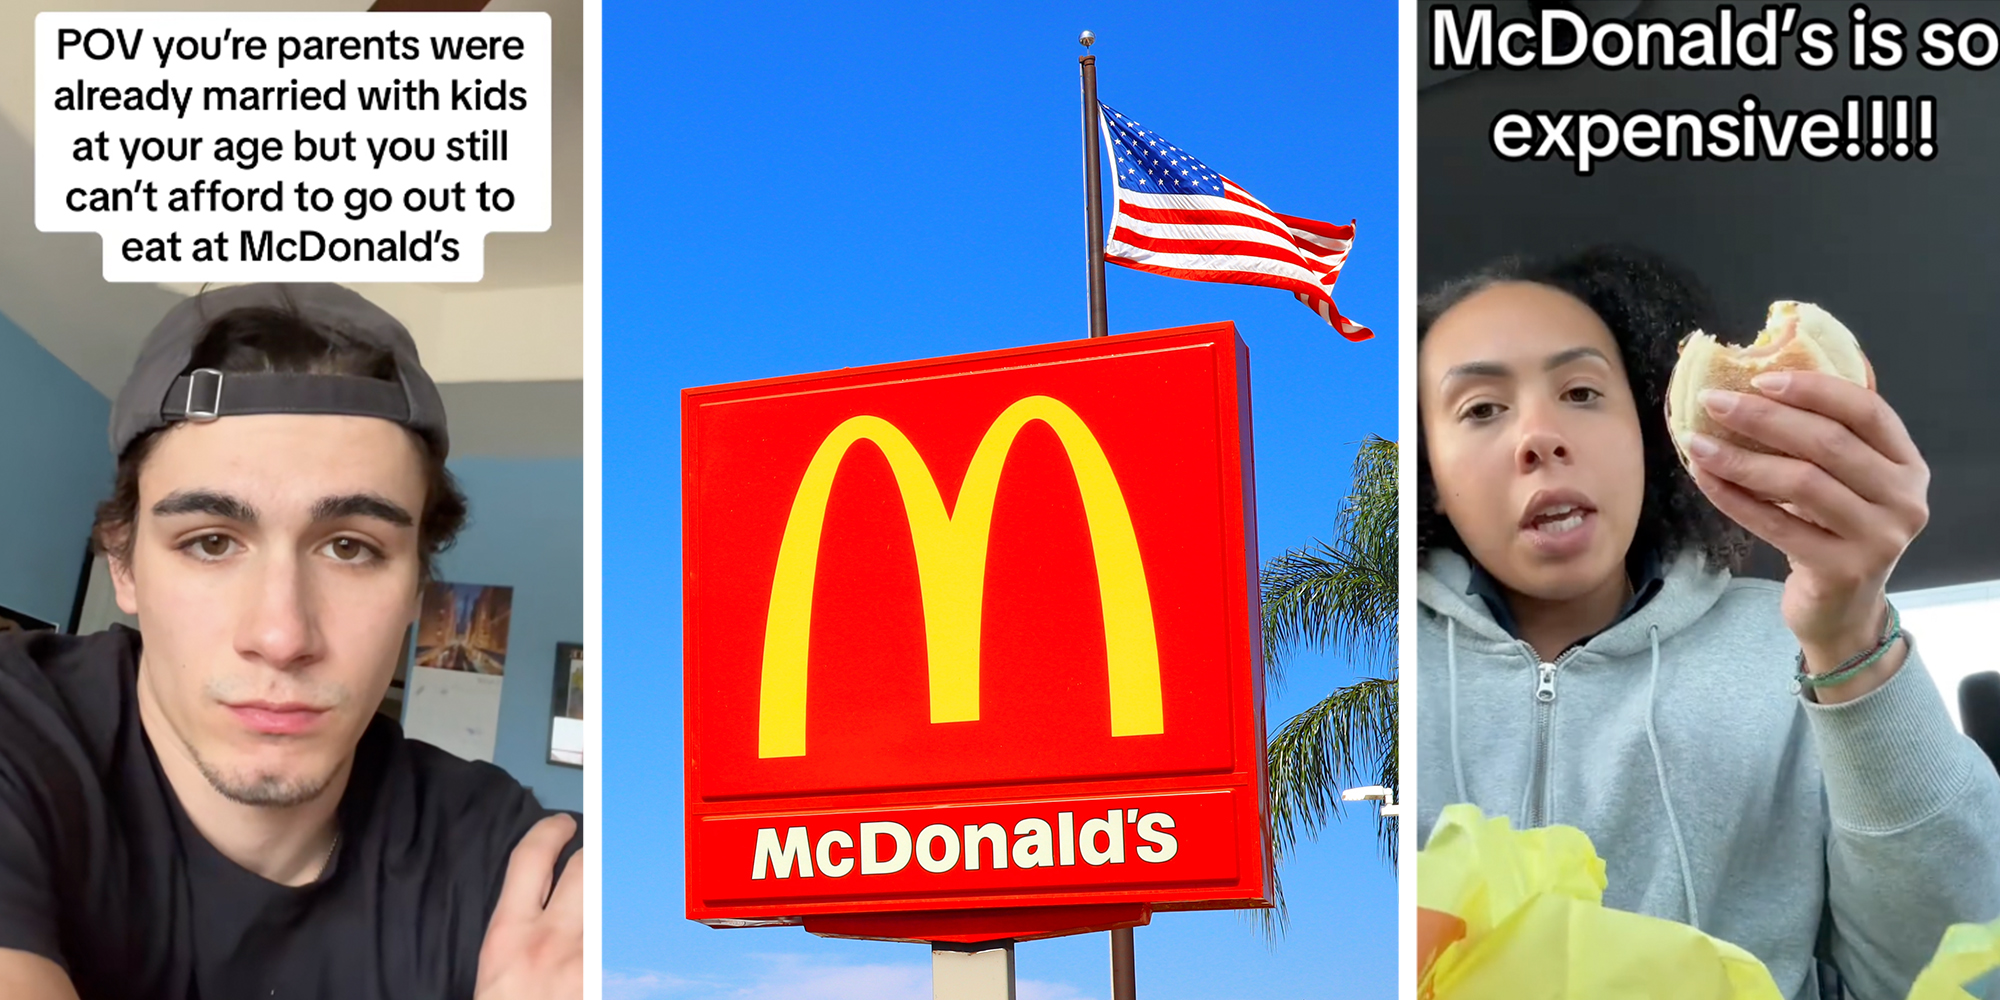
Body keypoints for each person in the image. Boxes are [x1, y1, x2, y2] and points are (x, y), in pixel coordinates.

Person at [1414, 247, 2000, 999]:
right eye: (1482, 409)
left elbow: (1957, 972)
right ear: (1432, 477)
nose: (1539, 436)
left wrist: (1849, 639)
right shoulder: (1377, 678)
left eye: (1583, 392)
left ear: (1649, 430)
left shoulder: (1791, 652)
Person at [0, 284, 583, 999]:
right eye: (211, 542)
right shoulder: (17, 736)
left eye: (350, 548)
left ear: (414, 588)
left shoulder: (505, 861)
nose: (281, 637)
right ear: (123, 564)